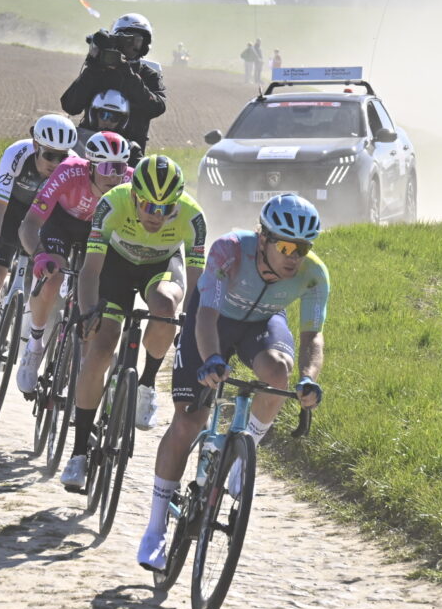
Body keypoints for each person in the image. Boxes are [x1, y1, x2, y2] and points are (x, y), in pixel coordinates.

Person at [137, 193, 328, 571]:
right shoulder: (229, 250)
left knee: (277, 373)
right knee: (189, 423)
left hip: (261, 324)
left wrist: (309, 379)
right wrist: (211, 359)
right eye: (286, 246)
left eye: (302, 248)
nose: (294, 256)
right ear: (264, 239)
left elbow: (312, 338)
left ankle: (242, 458)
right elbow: (205, 314)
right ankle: (155, 529)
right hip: (213, 321)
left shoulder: (314, 275)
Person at [59, 155, 207, 490]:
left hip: (161, 266)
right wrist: (88, 312)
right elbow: (91, 270)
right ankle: (79, 452)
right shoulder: (112, 204)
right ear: (134, 196)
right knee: (101, 347)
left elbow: (196, 281)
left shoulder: (193, 216)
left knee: (167, 304)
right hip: (115, 267)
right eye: (148, 206)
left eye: (165, 208)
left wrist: (193, 324)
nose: (156, 215)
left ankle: (146, 385)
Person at [0, 115, 79, 395]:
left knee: (44, 282)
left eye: (62, 156)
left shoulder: (73, 167)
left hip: (46, 221)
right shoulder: (17, 154)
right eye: (49, 155)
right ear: (35, 145)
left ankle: (28, 340)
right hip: (12, 213)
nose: (55, 164)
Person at [15, 131, 134, 394]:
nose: (115, 176)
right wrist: (40, 256)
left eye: (120, 168)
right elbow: (29, 225)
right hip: (63, 224)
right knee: (53, 277)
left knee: (96, 297)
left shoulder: (131, 181)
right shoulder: (68, 171)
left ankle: (83, 365)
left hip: (100, 231)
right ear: (90, 166)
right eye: (106, 168)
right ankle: (34, 346)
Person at [61, 13, 166, 155]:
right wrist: (93, 65)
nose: (131, 46)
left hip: (128, 155)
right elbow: (70, 106)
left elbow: (156, 107)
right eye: (127, 40)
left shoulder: (149, 75)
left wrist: (126, 72)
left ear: (145, 46)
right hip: (88, 149)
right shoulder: (98, 70)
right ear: (115, 41)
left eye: (137, 41)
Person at [74, 90, 141, 164]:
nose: (108, 122)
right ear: (94, 115)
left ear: (121, 121)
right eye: (103, 115)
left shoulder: (130, 149)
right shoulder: (75, 138)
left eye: (115, 117)